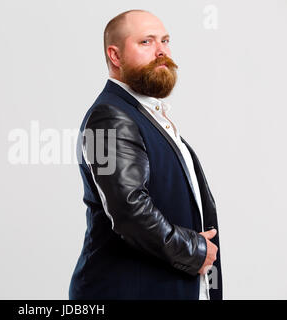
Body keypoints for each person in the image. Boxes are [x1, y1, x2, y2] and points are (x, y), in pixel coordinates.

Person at [69, 9, 223, 300]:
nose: (162, 51)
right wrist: (195, 251)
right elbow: (129, 211)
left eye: (165, 41)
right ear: (115, 56)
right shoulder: (110, 116)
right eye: (146, 42)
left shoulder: (141, 114)